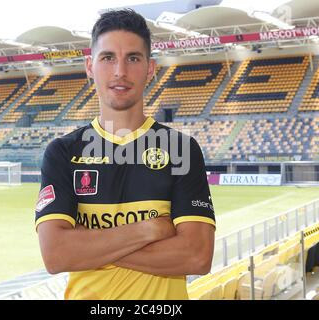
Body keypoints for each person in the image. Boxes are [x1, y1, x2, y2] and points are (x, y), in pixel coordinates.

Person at [35, 9, 216, 300]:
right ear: (89, 66)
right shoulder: (63, 153)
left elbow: (197, 256)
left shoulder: (180, 149)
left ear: (150, 68)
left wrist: (88, 246)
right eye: (107, 58)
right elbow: (56, 255)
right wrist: (150, 229)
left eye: (133, 58)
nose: (120, 71)